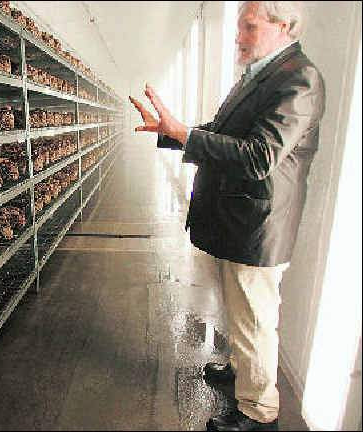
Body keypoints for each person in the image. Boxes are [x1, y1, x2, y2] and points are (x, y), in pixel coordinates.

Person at [130, 1, 325, 431]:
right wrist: (172, 133)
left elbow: (259, 157)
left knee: (254, 317)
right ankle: (242, 371)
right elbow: (223, 134)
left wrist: (184, 134)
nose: (239, 36)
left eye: (249, 27)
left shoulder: (300, 80)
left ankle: (259, 413)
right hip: (240, 218)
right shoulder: (261, 75)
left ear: (284, 26)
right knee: (240, 310)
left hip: (258, 225)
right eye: (239, 27)